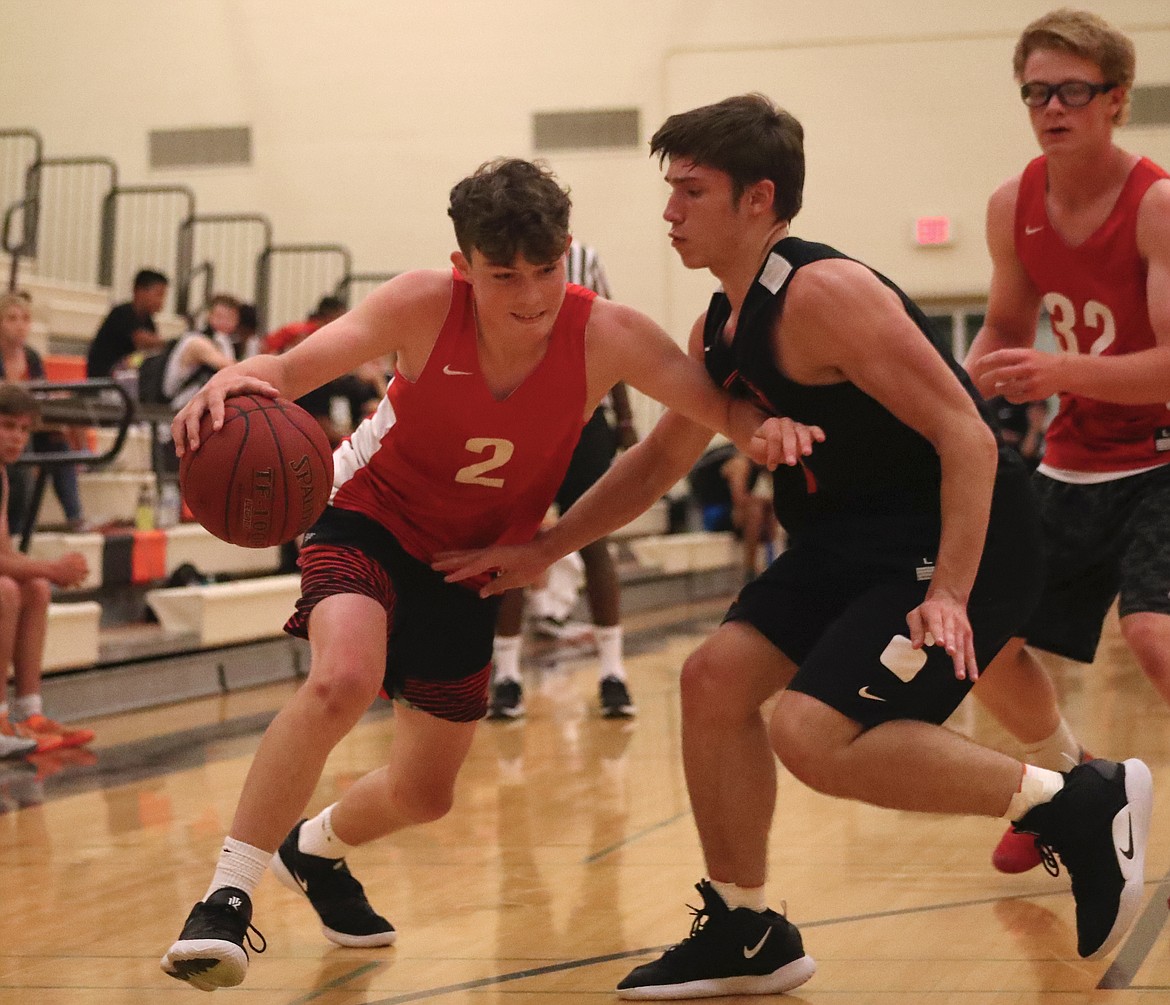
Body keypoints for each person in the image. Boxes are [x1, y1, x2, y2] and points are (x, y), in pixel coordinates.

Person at [437, 95, 1153, 995]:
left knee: (812, 734)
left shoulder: (824, 294)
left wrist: (951, 593)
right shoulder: (721, 324)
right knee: (712, 681)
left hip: (947, 535)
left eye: (689, 193)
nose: (668, 213)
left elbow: (966, 438)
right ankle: (748, 930)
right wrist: (546, 547)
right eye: (670, 192)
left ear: (757, 199)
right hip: (846, 544)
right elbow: (661, 456)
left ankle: (1079, 801)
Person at [159, 156, 809, 992]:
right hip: (368, 516)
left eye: (545, 270)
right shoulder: (422, 303)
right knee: (343, 678)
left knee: (427, 794)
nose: (530, 295)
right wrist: (227, 382)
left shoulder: (608, 332)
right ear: (465, 266)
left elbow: (718, 410)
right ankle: (225, 898)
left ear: (566, 251)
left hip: (471, 562)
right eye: (505, 276)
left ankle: (313, 849)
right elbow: (287, 374)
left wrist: (770, 430)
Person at [962, 9, 1170, 875]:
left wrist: (1059, 374)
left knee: (1155, 632)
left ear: (1115, 100)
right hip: (1074, 458)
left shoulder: (1156, 204)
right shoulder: (1014, 204)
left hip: (1163, 452)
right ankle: (1073, 783)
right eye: (1036, 91)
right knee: (981, 630)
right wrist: (954, 392)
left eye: (1072, 90)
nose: (1052, 106)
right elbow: (1002, 331)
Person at [488, 239, 642, 720]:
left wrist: (624, 418)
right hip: (521, 419)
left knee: (595, 543)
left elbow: (609, 338)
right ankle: (507, 676)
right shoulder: (498, 264)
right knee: (514, 543)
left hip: (584, 421)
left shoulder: (586, 261)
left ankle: (613, 672)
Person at [0, 383, 93, 757]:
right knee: (6, 590)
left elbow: (4, 551)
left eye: (24, 430)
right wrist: (54, 568)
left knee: (35, 586)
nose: (17, 437)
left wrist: (49, 571)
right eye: (8, 426)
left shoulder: (4, 475)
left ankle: (28, 712)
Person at [0, 293, 85, 534]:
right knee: (22, 444)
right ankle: (17, 530)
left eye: (25, 319)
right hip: (8, 427)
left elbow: (38, 400)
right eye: (12, 318)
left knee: (58, 443)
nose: (20, 325)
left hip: (28, 425)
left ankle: (75, 516)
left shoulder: (32, 357)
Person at [687, 441, 779, 580]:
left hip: (728, 511)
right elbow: (740, 499)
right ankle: (750, 569)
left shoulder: (758, 466)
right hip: (712, 514)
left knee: (771, 508)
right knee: (756, 509)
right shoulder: (740, 463)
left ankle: (773, 563)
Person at [86, 269, 168, 378]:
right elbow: (142, 340)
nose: (161, 301)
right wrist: (172, 343)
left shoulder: (149, 322)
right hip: (106, 377)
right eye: (158, 294)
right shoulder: (122, 313)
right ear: (140, 291)